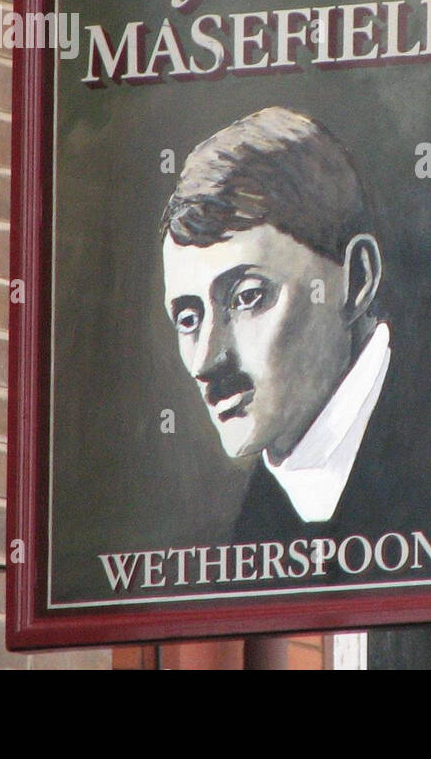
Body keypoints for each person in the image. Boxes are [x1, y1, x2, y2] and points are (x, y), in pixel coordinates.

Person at [160, 106, 392, 529]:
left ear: (357, 279)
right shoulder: (253, 523)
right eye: (189, 318)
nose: (206, 362)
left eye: (248, 297)